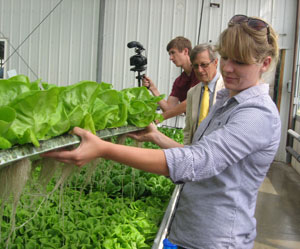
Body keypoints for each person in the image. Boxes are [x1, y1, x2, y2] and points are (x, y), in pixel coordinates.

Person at [42, 14, 281, 249]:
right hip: (190, 232)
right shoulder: (226, 101)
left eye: (239, 61)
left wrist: (104, 149)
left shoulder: (257, 115)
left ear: (265, 63)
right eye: (226, 57)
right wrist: (155, 136)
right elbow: (199, 155)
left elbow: (196, 162)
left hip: (217, 240)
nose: (227, 68)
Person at [142, 36, 199, 121]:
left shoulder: (200, 73)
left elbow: (190, 102)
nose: (171, 58)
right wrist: (153, 89)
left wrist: (160, 118)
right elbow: (168, 109)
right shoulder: (179, 81)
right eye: (169, 54)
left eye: (173, 53)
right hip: (192, 124)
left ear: (185, 51)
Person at [183, 44, 224, 145]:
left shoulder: (228, 89)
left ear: (215, 62)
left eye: (204, 65)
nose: (199, 70)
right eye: (195, 66)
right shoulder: (192, 93)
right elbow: (188, 130)